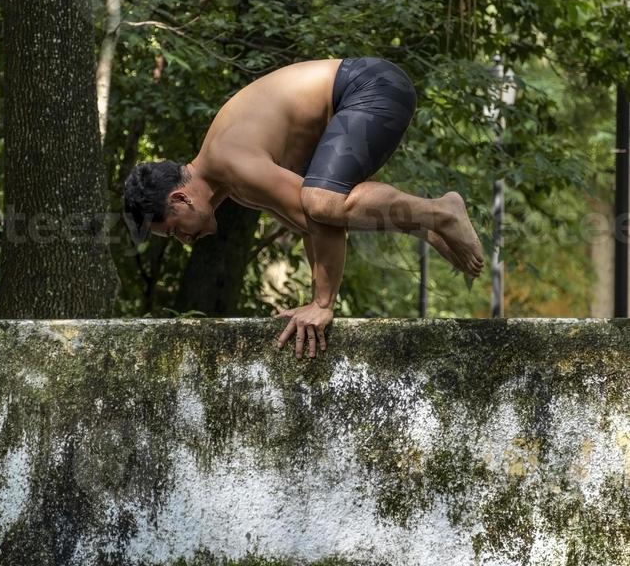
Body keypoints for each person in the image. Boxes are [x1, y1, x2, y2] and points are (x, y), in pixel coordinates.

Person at [123, 57, 484, 359]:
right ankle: (425, 221)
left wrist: (322, 304)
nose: (184, 240)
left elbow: (322, 217)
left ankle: (441, 211)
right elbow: (309, 226)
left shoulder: (230, 161)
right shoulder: (231, 183)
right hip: (365, 92)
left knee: (322, 200)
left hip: (371, 86)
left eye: (174, 229)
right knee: (320, 202)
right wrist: (315, 299)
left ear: (180, 198)